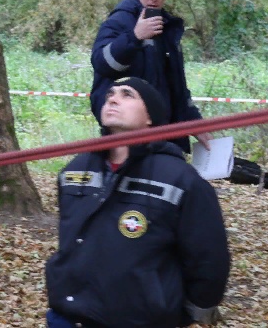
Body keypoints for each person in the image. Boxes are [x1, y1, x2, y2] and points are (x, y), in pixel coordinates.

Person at [45, 77, 229, 328]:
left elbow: (208, 257)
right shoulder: (75, 170)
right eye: (110, 93)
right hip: (67, 318)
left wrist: (188, 311)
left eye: (127, 94)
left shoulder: (180, 179)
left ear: (150, 117)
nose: (113, 98)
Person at [90, 0, 213, 151]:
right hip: (126, 131)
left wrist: (196, 124)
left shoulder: (168, 28)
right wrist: (135, 37)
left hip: (165, 132)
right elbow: (101, 63)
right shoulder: (120, 20)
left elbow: (177, 87)